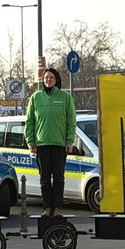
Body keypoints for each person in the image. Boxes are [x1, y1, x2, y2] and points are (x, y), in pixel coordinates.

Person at [25, 68, 76, 217]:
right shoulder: (35, 98)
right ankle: (47, 207)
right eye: (46, 77)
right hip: (42, 145)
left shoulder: (65, 98)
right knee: (44, 178)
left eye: (51, 77)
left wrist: (69, 140)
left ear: (56, 79)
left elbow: (71, 121)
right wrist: (30, 142)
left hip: (59, 144)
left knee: (59, 177)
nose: (48, 80)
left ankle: (57, 208)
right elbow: (30, 122)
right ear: (43, 80)